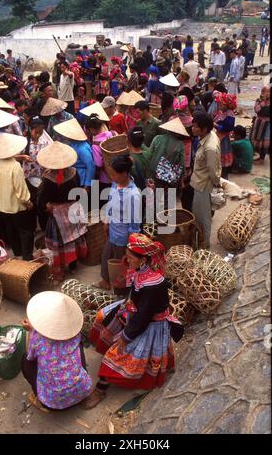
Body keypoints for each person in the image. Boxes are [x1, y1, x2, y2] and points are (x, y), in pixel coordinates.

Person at [84, 233, 177, 408]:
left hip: (149, 323)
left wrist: (126, 336)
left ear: (142, 259)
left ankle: (100, 389)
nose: (126, 259)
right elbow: (135, 296)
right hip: (136, 310)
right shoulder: (141, 271)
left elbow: (143, 318)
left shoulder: (153, 285)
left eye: (129, 256)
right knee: (103, 317)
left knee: (117, 353)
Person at [21, 291, 92, 413]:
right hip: (82, 391)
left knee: (25, 360)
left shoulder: (37, 337)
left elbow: (30, 357)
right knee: (78, 350)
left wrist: (31, 332)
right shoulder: (75, 334)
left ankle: (39, 398)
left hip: (52, 403)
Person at [37, 142, 87, 280]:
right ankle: (73, 265)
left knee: (61, 241)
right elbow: (78, 191)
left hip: (58, 214)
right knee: (74, 237)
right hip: (73, 209)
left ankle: (62, 266)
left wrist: (46, 207)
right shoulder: (73, 173)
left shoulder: (48, 179)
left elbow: (42, 200)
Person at [93, 155, 141, 291]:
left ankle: (121, 292)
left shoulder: (133, 195)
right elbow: (110, 202)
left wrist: (130, 245)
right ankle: (105, 281)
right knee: (106, 257)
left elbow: (134, 224)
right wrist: (107, 221)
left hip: (123, 238)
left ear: (125, 174)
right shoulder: (116, 183)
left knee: (121, 266)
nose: (111, 176)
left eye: (114, 174)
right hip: (113, 231)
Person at [0, 133, 35, 261]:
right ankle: (27, 257)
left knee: (12, 230)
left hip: (3, 204)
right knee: (25, 232)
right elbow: (21, 190)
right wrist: (28, 202)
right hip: (17, 205)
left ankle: (17, 253)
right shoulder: (15, 166)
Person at [190, 113, 221, 249]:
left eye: (196, 126)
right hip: (199, 181)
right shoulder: (208, 136)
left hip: (203, 186)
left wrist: (216, 184)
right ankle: (199, 241)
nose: (192, 128)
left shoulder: (210, 147)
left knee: (203, 218)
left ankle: (205, 245)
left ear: (204, 129)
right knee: (199, 216)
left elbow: (213, 171)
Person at [53, 118, 95, 194]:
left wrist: (87, 184)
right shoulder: (73, 144)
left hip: (82, 179)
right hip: (76, 177)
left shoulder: (82, 148)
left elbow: (91, 166)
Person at [213, 92, 236, 179]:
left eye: (220, 104)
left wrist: (216, 125)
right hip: (218, 136)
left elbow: (228, 127)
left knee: (223, 156)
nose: (219, 106)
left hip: (224, 138)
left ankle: (223, 177)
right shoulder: (221, 112)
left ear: (227, 105)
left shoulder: (230, 114)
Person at [250, 86, 270, 163]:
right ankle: (256, 155)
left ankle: (262, 157)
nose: (266, 93)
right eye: (265, 91)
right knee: (256, 138)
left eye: (268, 92)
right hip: (258, 122)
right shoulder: (259, 100)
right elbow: (256, 110)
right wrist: (263, 103)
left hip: (268, 123)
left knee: (266, 139)